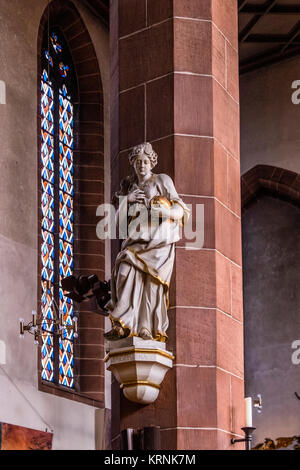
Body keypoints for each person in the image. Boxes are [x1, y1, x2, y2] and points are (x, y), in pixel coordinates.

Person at [104, 143, 189, 341]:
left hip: (158, 242)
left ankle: (145, 328)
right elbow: (120, 225)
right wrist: (127, 200)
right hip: (134, 241)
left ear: (151, 162)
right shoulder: (129, 188)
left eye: (145, 161)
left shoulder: (161, 180)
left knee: (152, 285)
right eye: (137, 162)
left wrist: (167, 212)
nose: (141, 165)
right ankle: (124, 324)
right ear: (133, 164)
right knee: (123, 273)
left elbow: (181, 209)